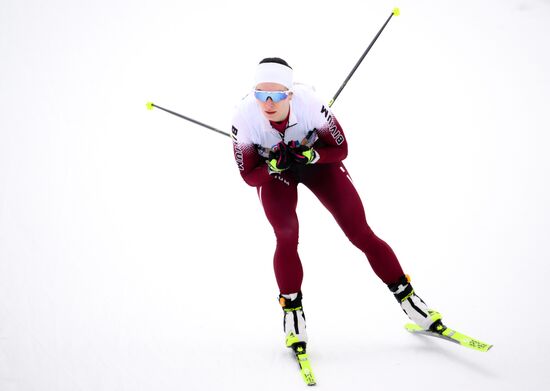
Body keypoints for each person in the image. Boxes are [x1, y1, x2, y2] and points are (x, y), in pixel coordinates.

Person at [231, 57, 443, 351]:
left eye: (277, 95)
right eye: (260, 95)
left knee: (359, 232)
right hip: (278, 176)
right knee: (287, 234)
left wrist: (311, 155)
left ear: (290, 94)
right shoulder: (244, 118)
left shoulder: (309, 105)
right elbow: (249, 175)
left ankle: (410, 300)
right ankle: (293, 315)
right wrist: (272, 168)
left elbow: (341, 149)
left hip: (320, 166)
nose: (267, 103)